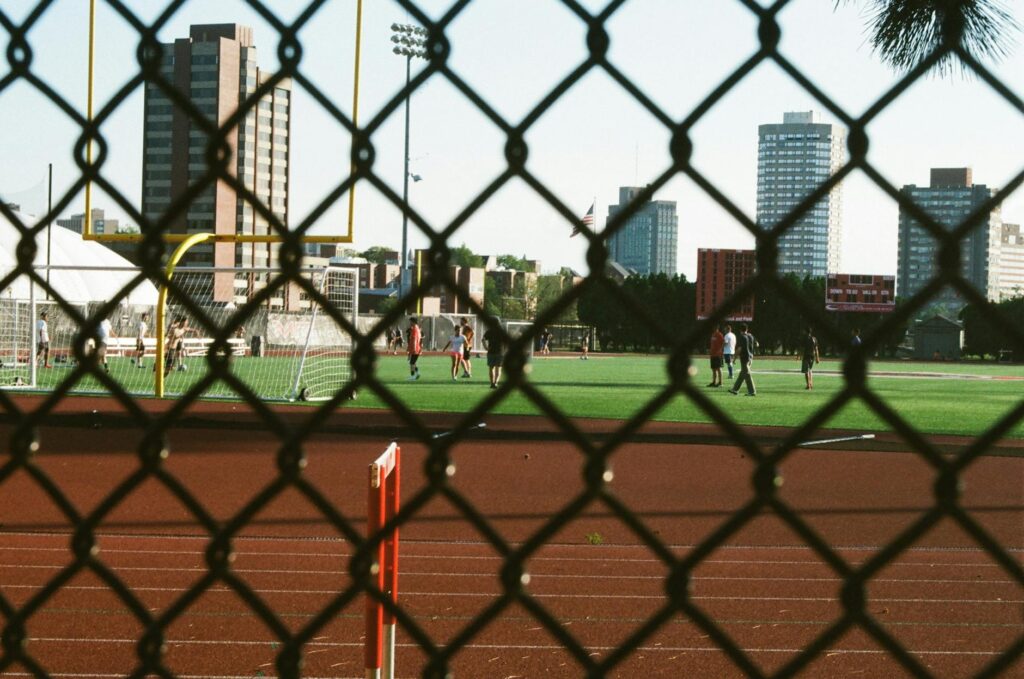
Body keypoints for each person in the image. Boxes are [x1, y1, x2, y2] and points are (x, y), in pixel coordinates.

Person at [729, 323, 756, 396]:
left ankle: (752, 391)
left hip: (744, 358)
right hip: (751, 357)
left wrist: (734, 358)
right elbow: (757, 344)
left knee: (747, 374)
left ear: (740, 330)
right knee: (742, 374)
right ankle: (735, 389)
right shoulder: (751, 336)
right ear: (747, 329)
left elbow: (739, 349)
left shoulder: (742, 337)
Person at [483, 322, 505, 388]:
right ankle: (496, 383)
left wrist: (486, 347)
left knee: (491, 368)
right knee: (498, 368)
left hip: (491, 352)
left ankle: (492, 383)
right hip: (500, 352)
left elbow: (483, 339)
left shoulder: (489, 331)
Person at [801, 326, 820, 390]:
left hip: (806, 356)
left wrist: (799, 356)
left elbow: (802, 349)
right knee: (810, 370)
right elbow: (816, 349)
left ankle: (808, 385)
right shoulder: (814, 339)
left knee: (806, 371)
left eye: (804, 331)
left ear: (806, 332)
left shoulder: (804, 338)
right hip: (812, 356)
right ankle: (811, 384)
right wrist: (817, 358)